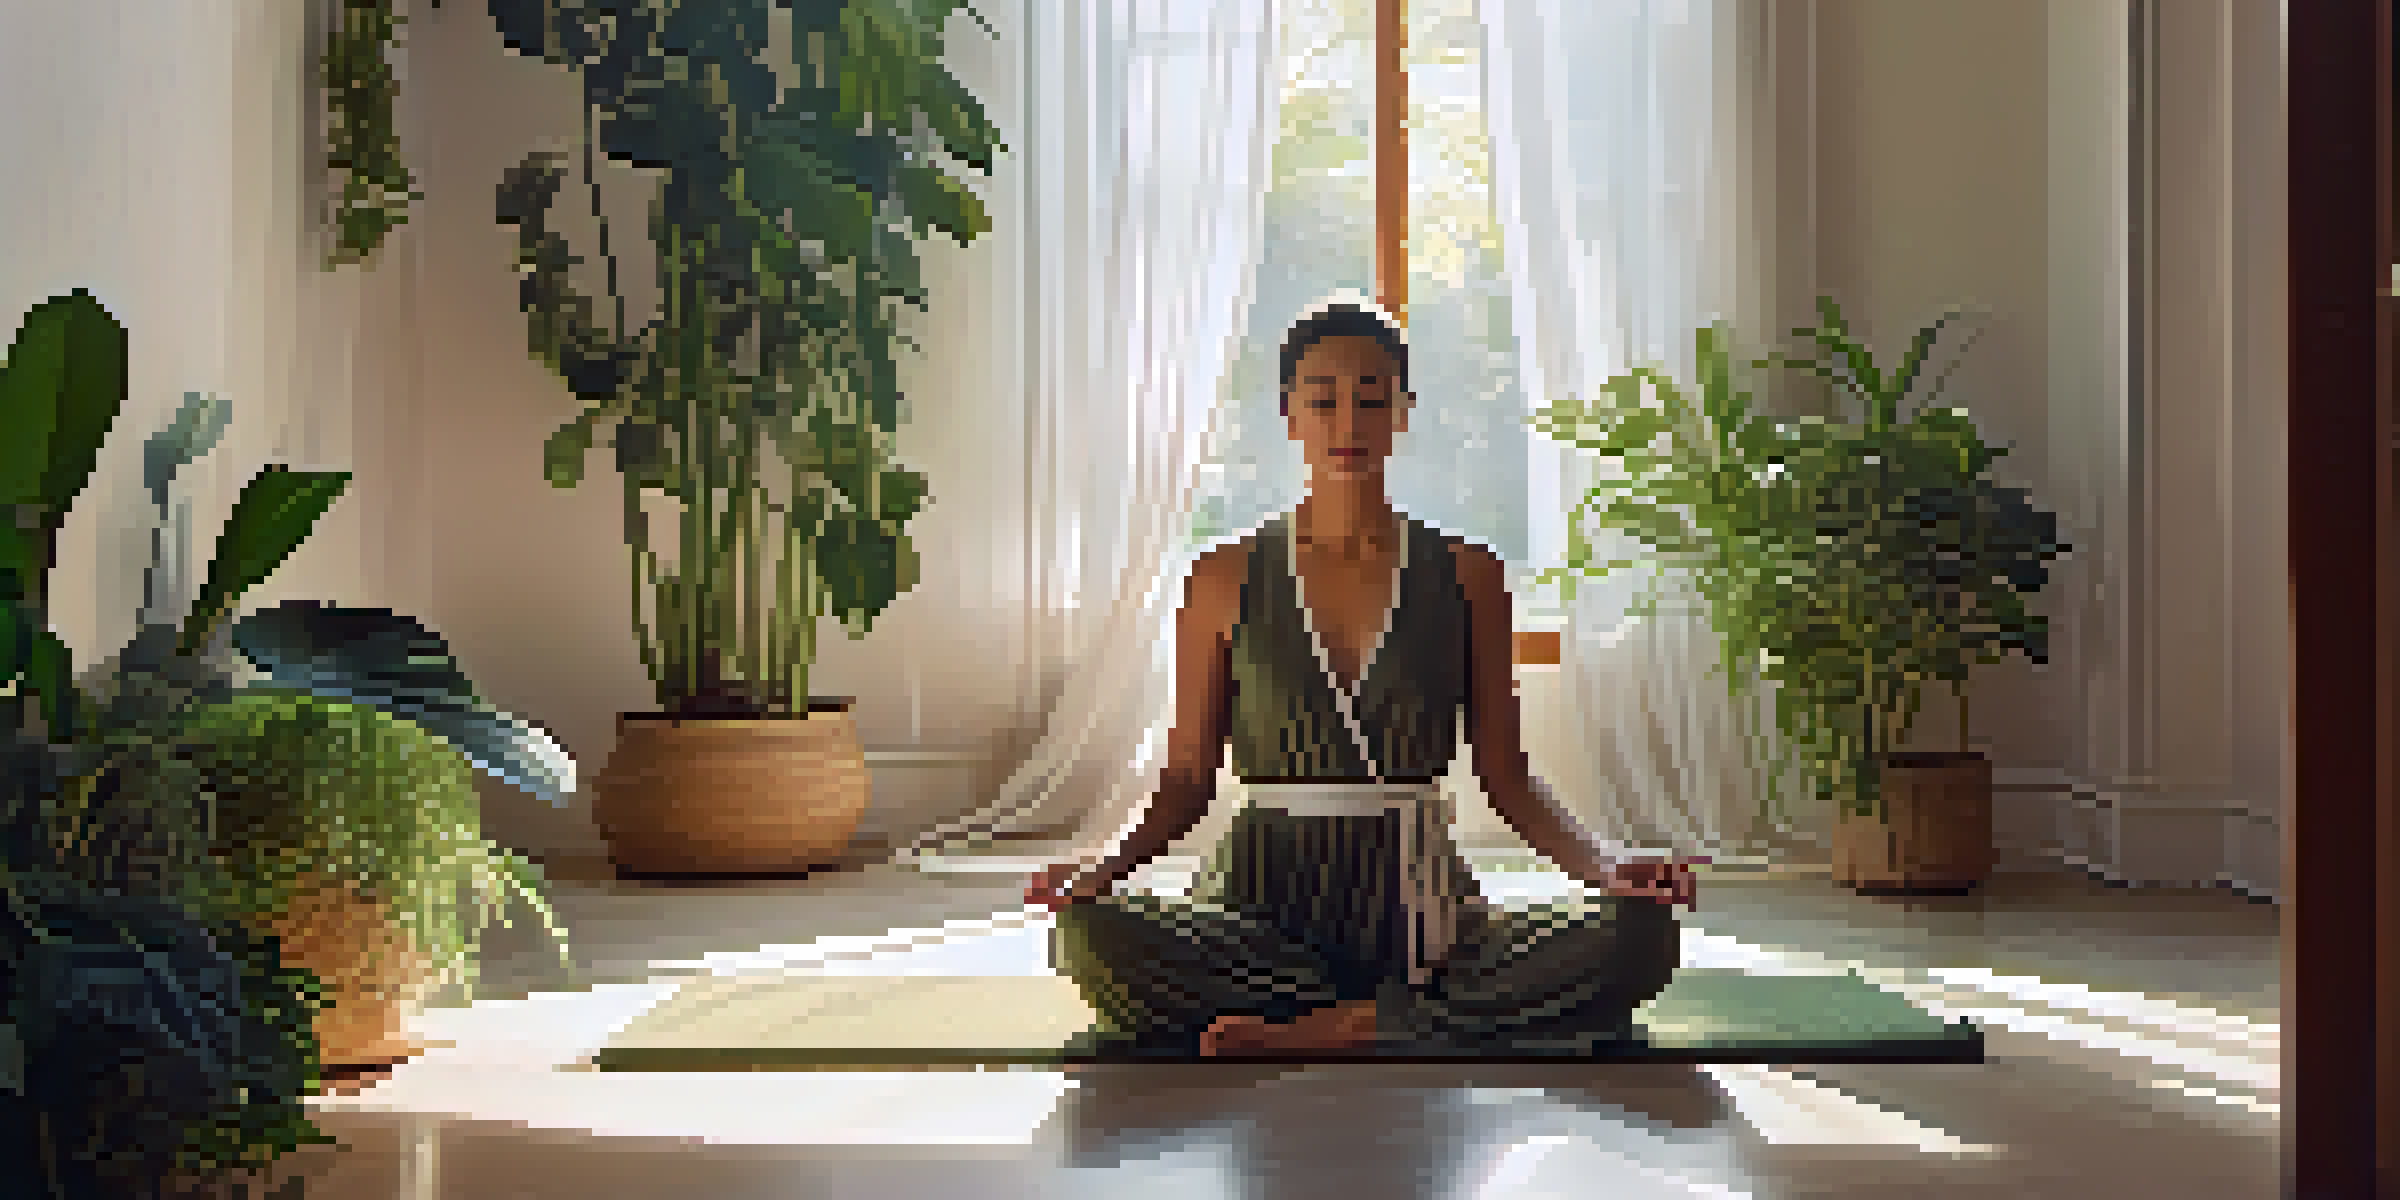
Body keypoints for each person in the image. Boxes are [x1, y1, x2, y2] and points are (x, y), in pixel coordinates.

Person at [1027, 299, 1697, 1057]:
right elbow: (1186, 776)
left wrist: (1609, 865)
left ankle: (1354, 1027)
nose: (1349, 422)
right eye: (1323, 399)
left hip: (1425, 924)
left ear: (1404, 413)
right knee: (1088, 935)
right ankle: (1405, 1022)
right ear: (1289, 413)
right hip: (1261, 919)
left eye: (1373, 399)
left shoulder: (1470, 575)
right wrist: (1106, 863)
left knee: (1639, 938)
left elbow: (1509, 778)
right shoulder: (1223, 575)